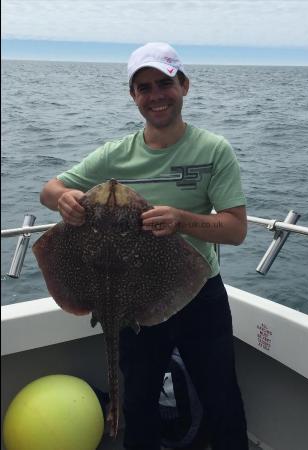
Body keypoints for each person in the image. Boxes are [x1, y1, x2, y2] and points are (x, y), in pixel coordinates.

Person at [40, 42, 249, 450]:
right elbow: (50, 188)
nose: (155, 95)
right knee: (138, 401)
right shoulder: (115, 154)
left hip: (198, 293)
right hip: (127, 300)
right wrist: (62, 198)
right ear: (133, 96)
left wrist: (181, 220)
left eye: (163, 84)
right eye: (144, 88)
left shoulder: (213, 150)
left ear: (183, 85)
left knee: (222, 396)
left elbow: (236, 229)